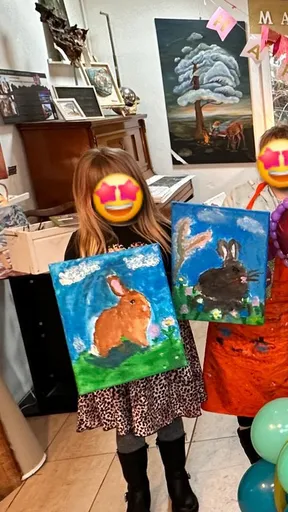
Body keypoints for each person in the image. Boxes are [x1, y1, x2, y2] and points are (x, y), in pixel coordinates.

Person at [65, 148, 205, 512]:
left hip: (162, 346)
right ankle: (137, 490)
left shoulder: (159, 231)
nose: (116, 198)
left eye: (123, 188)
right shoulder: (82, 243)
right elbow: (71, 304)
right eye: (105, 191)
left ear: (139, 187)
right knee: (126, 426)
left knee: (169, 416)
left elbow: (183, 286)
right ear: (89, 196)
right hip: (120, 361)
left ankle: (178, 479)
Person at [203, 125, 288, 464]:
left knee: (283, 388)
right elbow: (217, 249)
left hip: (285, 313)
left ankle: (283, 454)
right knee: (243, 393)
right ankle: (256, 459)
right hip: (239, 315)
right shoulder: (240, 196)